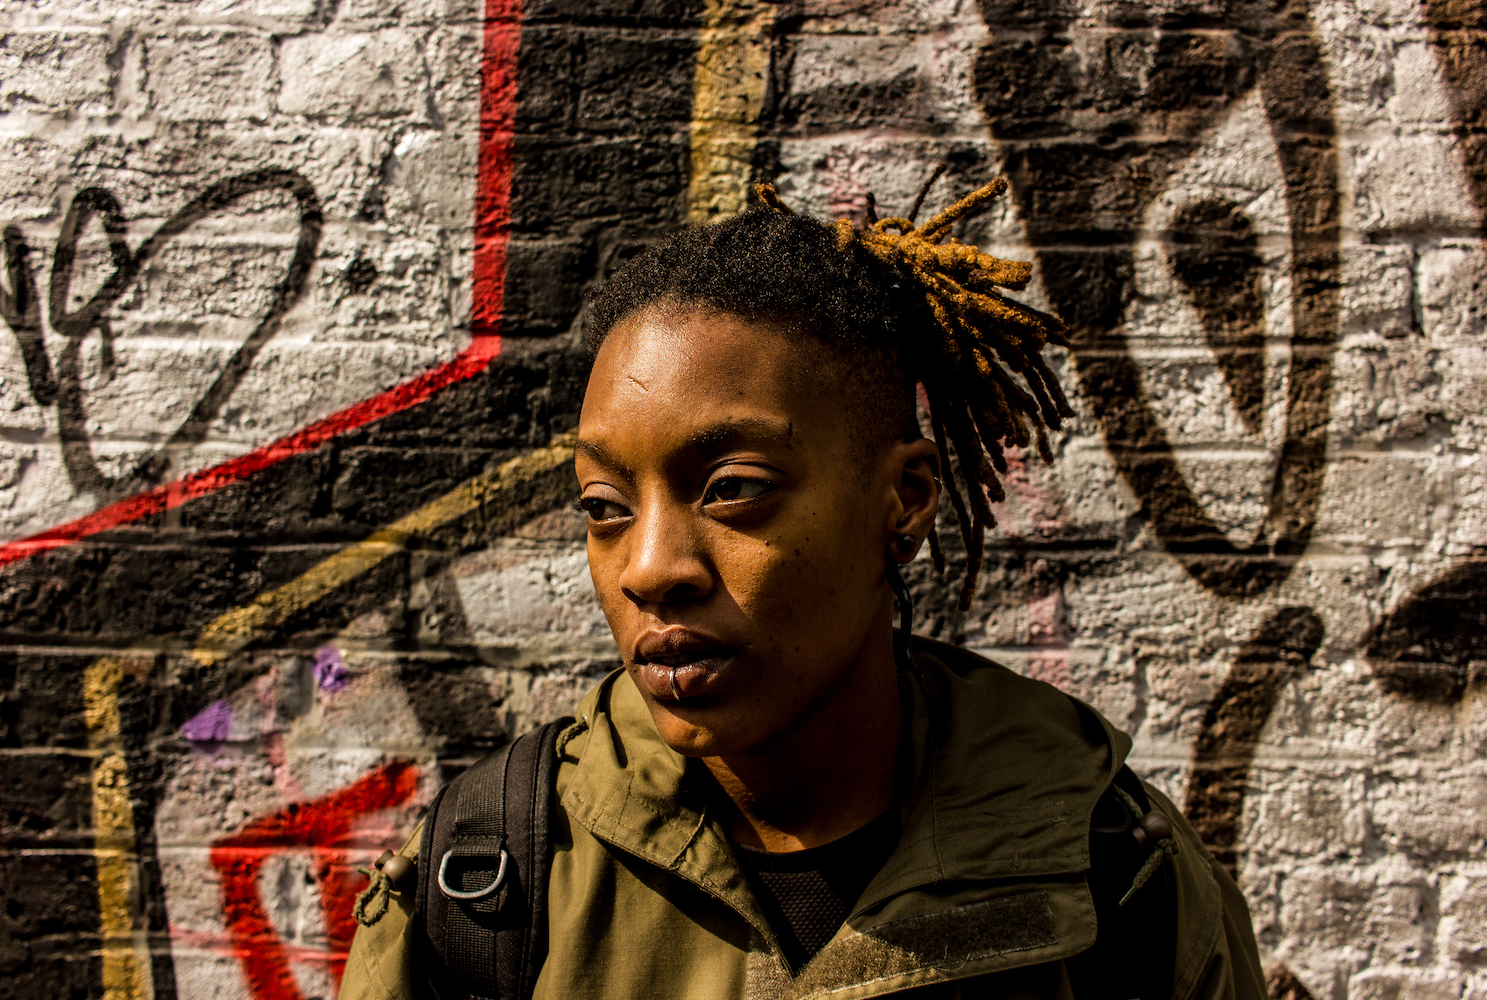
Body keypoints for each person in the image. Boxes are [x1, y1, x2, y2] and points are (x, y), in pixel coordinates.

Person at [339, 179, 1267, 999]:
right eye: (604, 504)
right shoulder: (490, 882)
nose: (652, 568)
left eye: (733, 489)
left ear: (904, 500)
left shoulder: (1111, 881)